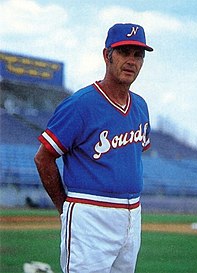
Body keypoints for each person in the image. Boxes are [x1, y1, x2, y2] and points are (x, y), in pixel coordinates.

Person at [34, 22, 153, 273]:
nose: (131, 61)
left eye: (138, 54)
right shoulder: (81, 104)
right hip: (90, 214)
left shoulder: (141, 106)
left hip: (132, 214)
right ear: (106, 55)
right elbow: (43, 158)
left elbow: (131, 155)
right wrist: (64, 207)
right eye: (124, 52)